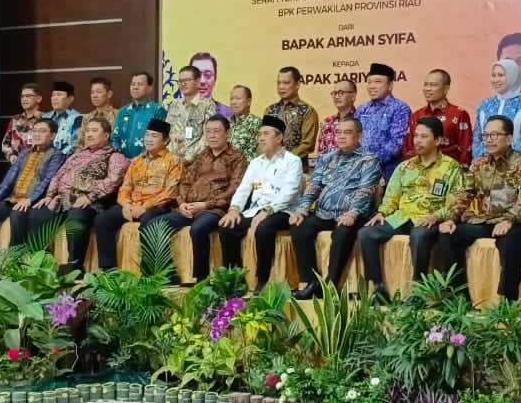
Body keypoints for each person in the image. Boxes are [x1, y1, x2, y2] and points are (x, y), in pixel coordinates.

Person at [356, 118, 464, 296]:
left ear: (438, 140)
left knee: (419, 235)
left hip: (430, 219)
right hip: (402, 218)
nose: (417, 141)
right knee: (366, 233)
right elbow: (391, 196)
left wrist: (436, 216)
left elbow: (455, 203)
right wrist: (382, 212)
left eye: (424, 136)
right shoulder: (405, 166)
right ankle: (377, 287)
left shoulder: (451, 167)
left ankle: (418, 290)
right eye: (416, 136)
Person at [438, 116, 521, 302]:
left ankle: (508, 300)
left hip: (518, 222)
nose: (489, 140)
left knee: (509, 240)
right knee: (449, 233)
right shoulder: (479, 163)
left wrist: (508, 220)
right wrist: (451, 218)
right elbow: (465, 194)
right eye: (486, 135)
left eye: (494, 135)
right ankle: (458, 296)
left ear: (509, 138)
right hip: (487, 221)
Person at [289, 117, 381, 300]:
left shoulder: (369, 160)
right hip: (324, 213)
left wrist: (352, 213)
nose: (341, 136)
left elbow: (366, 191)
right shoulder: (327, 158)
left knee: (343, 231)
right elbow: (314, 186)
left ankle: (330, 284)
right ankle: (312, 282)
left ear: (359, 136)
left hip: (354, 214)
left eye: (347, 132)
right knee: (299, 225)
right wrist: (302, 209)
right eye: (338, 132)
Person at [27, 118, 129, 272]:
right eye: (87, 131)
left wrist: (90, 197)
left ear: (106, 135)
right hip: (63, 199)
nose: (89, 134)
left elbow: (113, 180)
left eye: (94, 131)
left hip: (92, 202)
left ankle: (74, 267)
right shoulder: (78, 154)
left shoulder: (115, 156)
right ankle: (40, 264)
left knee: (76, 215)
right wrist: (49, 196)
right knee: (38, 214)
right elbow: (59, 174)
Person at [159, 115, 248, 284]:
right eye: (208, 131)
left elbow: (234, 189)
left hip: (215, 209)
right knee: (156, 224)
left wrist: (205, 205)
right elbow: (186, 182)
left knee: (198, 229)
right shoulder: (202, 156)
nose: (212, 135)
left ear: (227, 133)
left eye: (216, 131)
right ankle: (168, 274)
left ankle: (201, 280)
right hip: (189, 207)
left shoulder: (237, 158)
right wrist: (182, 203)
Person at [217, 116, 303, 288]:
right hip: (256, 209)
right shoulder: (256, 162)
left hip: (283, 210)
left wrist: (268, 211)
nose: (261, 138)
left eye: (266, 134)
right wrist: (234, 209)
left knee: (264, 228)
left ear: (279, 138)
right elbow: (244, 188)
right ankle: (234, 279)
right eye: (259, 134)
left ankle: (262, 280)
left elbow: (289, 192)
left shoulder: (292, 161)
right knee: (228, 226)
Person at [94, 119, 183, 271]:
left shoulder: (174, 161)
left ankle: (155, 272)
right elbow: (125, 187)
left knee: (149, 221)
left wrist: (144, 207)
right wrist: (126, 204)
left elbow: (170, 192)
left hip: (158, 206)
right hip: (131, 205)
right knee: (102, 220)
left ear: (166, 141)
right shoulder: (136, 161)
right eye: (147, 135)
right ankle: (109, 270)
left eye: (154, 136)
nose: (148, 139)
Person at [0, 119, 66, 247]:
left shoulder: (57, 155)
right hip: (14, 199)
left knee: (18, 214)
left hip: (35, 203)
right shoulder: (24, 153)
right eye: (35, 131)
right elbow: (9, 179)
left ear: (52, 135)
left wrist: (30, 199)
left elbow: (48, 180)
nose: (37, 134)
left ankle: (15, 257)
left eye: (42, 131)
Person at [472, 60, 521, 162]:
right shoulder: (485, 105)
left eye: (501, 75)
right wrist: (484, 159)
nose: (496, 79)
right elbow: (476, 138)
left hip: (516, 165)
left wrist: (505, 160)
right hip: (486, 165)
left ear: (513, 76)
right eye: (493, 75)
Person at [355, 62, 412, 181]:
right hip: (359, 170)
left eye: (378, 82)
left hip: (387, 171)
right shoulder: (362, 109)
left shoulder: (400, 108)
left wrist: (369, 162)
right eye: (369, 82)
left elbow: (396, 144)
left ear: (390, 85)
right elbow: (353, 138)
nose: (372, 86)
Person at [403, 69, 472, 165]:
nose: (427, 89)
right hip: (419, 170)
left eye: (433, 85)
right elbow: (409, 148)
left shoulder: (459, 114)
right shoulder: (417, 115)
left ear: (446, 89)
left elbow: (465, 148)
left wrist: (461, 170)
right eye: (425, 85)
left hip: (449, 169)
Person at [264, 66, 320, 161]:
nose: (281, 87)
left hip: (295, 166)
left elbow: (308, 144)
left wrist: (284, 160)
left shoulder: (307, 111)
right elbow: (264, 138)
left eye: (286, 83)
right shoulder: (270, 110)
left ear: (297, 85)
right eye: (279, 83)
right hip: (270, 165)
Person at [166, 65, 219, 162]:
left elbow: (208, 136)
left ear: (197, 82)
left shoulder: (207, 105)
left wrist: (188, 158)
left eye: (187, 80)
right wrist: (169, 156)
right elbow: (167, 133)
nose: (183, 84)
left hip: (196, 162)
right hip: (172, 160)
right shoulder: (174, 105)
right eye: (180, 81)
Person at [112, 71, 167, 159]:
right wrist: (118, 157)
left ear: (150, 88)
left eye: (140, 84)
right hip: (122, 161)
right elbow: (115, 136)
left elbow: (158, 140)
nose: (135, 87)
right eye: (133, 84)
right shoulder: (123, 111)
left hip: (147, 161)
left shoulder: (157, 110)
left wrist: (141, 159)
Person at [1, 83, 45, 164]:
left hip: (37, 165)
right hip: (16, 165)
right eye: (22, 96)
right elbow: (5, 143)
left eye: (28, 96)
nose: (24, 99)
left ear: (39, 99)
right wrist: (11, 155)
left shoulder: (45, 119)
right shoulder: (15, 119)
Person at [316, 79, 358, 160]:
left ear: (353, 96)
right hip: (327, 167)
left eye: (341, 93)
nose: (336, 96)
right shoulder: (327, 122)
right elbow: (321, 155)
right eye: (334, 93)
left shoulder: (361, 120)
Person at [45, 81, 85, 154]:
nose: (55, 98)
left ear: (70, 99)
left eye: (59, 95)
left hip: (64, 157)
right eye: (53, 95)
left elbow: (75, 143)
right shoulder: (45, 117)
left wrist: (58, 156)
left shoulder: (77, 118)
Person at [191, 52, 234, 119]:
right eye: (196, 75)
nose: (202, 81)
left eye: (208, 75)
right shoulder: (177, 111)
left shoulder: (229, 114)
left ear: (215, 79)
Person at [227, 85, 262, 159]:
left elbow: (254, 155)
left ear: (249, 101)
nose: (233, 102)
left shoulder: (256, 123)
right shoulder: (226, 123)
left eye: (238, 98)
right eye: (231, 99)